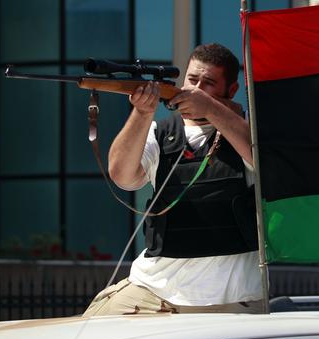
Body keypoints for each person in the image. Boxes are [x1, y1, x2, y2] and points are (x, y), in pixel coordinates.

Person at [83, 43, 262, 316]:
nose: (197, 87)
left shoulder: (248, 129)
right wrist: (142, 113)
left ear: (232, 91)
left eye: (209, 82)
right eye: (192, 79)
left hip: (231, 297)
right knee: (90, 330)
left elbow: (263, 162)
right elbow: (122, 176)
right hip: (155, 288)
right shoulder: (159, 132)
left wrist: (211, 109)